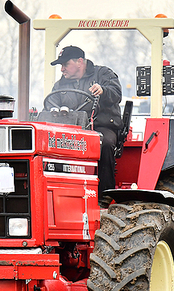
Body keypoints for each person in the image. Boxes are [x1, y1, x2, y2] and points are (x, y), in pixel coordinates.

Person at [46, 46, 122, 199]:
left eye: (65, 64)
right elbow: (50, 105)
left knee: (105, 143)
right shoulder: (60, 86)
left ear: (79, 62)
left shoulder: (103, 74)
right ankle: (58, 193)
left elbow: (116, 93)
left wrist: (103, 90)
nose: (62, 69)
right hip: (71, 129)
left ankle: (105, 195)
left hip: (101, 126)